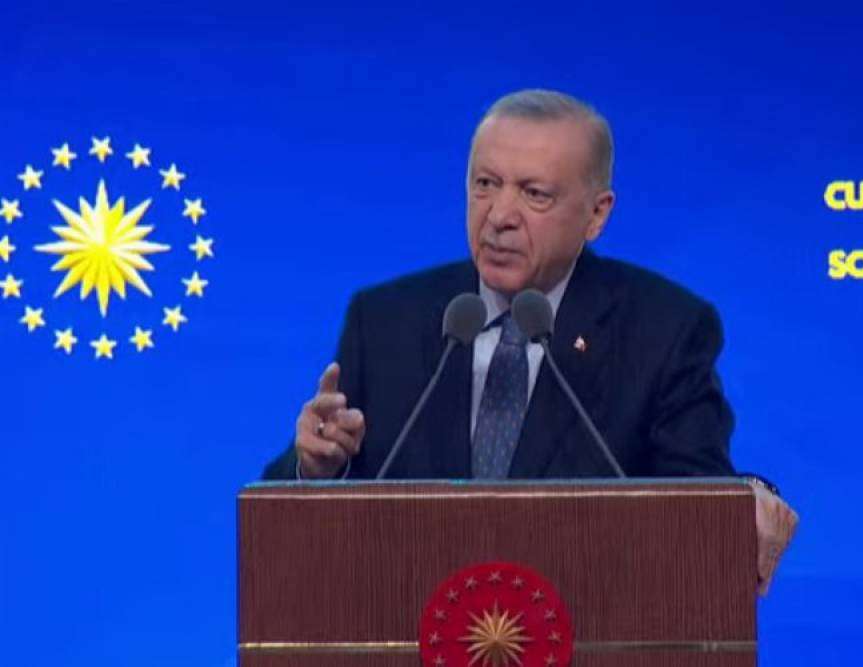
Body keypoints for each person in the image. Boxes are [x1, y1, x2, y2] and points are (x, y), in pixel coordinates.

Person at [263, 89, 798, 594]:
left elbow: (696, 496)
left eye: (534, 193)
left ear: (597, 214)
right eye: (485, 184)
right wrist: (316, 468)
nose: (499, 217)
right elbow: (285, 517)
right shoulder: (385, 320)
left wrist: (745, 499)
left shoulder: (665, 329)